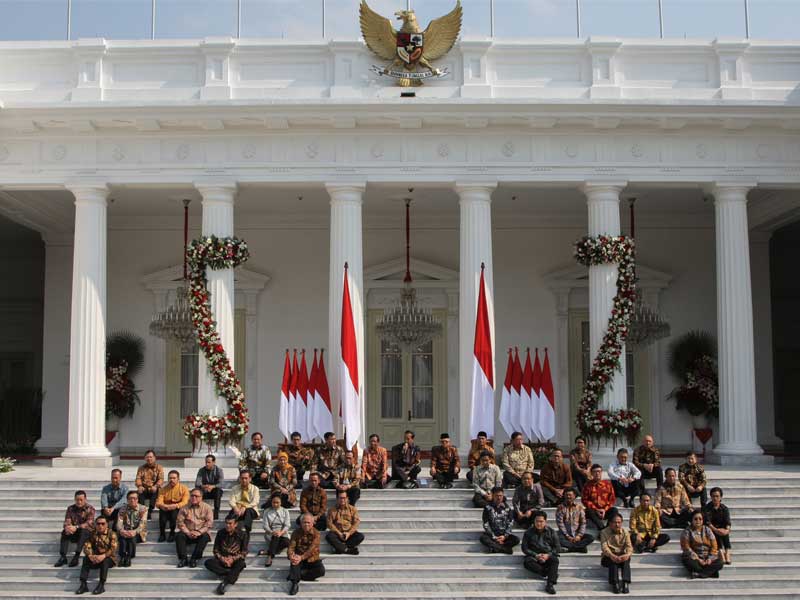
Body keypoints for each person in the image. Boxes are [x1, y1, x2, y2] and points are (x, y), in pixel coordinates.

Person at [205, 515, 249, 596]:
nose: (227, 525)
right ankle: (230, 573)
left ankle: (224, 583)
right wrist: (222, 559)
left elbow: (244, 552)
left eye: (230, 523)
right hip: (222, 560)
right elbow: (215, 550)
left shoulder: (243, 534)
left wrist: (232, 559)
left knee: (241, 564)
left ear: (235, 524)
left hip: (235, 560)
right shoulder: (220, 533)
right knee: (208, 562)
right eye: (226, 523)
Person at [75, 516, 117, 596]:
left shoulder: (112, 534)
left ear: (107, 524)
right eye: (98, 524)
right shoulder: (92, 533)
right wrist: (90, 555)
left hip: (109, 558)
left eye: (103, 524)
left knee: (105, 561)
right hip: (95, 558)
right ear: (95, 524)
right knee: (86, 559)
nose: (100, 526)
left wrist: (103, 556)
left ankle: (101, 584)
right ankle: (83, 584)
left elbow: (113, 549)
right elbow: (87, 545)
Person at [521, 510, 559, 595]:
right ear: (534, 521)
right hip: (534, 556)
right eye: (537, 521)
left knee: (555, 560)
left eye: (541, 521)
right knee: (527, 562)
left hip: (547, 556)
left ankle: (550, 584)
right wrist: (536, 555)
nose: (539, 524)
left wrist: (548, 555)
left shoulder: (551, 532)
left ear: (545, 521)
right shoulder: (528, 532)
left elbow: (557, 547)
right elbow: (524, 548)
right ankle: (550, 573)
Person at [287, 513, 326, 596]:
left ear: (312, 523)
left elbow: (312, 549)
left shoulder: (316, 533)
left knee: (321, 571)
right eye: (304, 522)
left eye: (308, 522)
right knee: (294, 562)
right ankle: (294, 584)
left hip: (311, 558)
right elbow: (291, 546)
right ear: (301, 523)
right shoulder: (296, 532)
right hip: (298, 557)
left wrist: (301, 557)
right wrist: (291, 556)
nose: (306, 524)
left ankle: (298, 574)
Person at [55, 490, 96, 568]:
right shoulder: (70, 508)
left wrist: (76, 527)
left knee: (84, 531)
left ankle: (76, 556)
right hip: (75, 533)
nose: (79, 502)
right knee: (65, 531)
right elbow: (67, 521)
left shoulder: (90, 509)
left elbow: (89, 523)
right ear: (75, 499)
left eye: (81, 500)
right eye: (77, 500)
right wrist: (68, 527)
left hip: (86, 535)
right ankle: (63, 557)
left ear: (85, 499)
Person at [175, 487, 214, 568]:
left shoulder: (207, 508)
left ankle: (194, 559)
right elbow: (180, 523)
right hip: (188, 532)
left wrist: (199, 532)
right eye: (192, 495)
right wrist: (188, 532)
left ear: (201, 497)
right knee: (179, 535)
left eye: (196, 496)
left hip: (201, 533)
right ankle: (183, 559)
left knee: (205, 536)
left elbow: (209, 523)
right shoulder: (184, 508)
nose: (194, 498)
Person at [680, 509, 724, 579]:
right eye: (695, 519)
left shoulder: (707, 530)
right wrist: (698, 559)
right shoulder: (687, 531)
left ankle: (699, 574)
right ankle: (710, 573)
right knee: (687, 559)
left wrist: (709, 558)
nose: (698, 521)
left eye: (700, 519)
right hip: (695, 557)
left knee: (720, 562)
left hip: (707, 557)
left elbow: (714, 546)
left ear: (703, 520)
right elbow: (686, 547)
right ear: (692, 520)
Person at [600, 512, 633, 595]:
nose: (617, 525)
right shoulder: (604, 532)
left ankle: (625, 583)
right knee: (613, 561)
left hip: (621, 555)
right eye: (615, 522)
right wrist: (612, 555)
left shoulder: (625, 532)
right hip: (608, 556)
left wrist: (627, 555)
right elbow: (604, 547)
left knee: (626, 560)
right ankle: (615, 583)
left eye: (619, 522)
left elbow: (629, 546)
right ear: (610, 523)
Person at [480, 487, 519, 554]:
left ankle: (496, 548)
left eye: (500, 495)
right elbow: (486, 524)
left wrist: (505, 536)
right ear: (493, 496)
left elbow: (510, 523)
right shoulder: (487, 508)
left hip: (504, 535)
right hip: (492, 535)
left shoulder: (508, 508)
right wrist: (494, 537)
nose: (499, 498)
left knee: (516, 539)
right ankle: (505, 549)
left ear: (503, 495)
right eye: (496, 496)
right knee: (483, 538)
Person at [326, 489, 365, 555]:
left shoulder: (352, 509)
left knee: (360, 536)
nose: (342, 500)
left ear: (347, 499)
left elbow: (356, 522)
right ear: (337, 499)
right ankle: (348, 550)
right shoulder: (332, 510)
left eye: (344, 498)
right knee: (329, 536)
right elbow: (329, 523)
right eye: (340, 498)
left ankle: (340, 549)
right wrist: (339, 533)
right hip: (337, 533)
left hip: (349, 533)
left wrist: (349, 533)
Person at [155, 470, 189, 543]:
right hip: (166, 507)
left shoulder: (184, 488)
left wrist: (176, 505)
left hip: (177, 507)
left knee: (174, 514)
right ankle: (162, 534)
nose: (171, 480)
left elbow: (185, 502)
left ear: (178, 479)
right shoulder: (163, 489)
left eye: (174, 478)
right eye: (170, 478)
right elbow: (159, 501)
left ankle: (172, 533)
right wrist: (163, 506)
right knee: (162, 514)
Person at [116, 491, 147, 567]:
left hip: (138, 533)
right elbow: (119, 522)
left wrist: (135, 532)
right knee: (122, 538)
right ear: (127, 500)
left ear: (137, 499)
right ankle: (123, 556)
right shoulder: (123, 509)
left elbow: (142, 524)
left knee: (132, 538)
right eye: (130, 498)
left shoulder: (143, 509)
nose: (132, 500)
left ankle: (129, 557)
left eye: (134, 498)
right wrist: (121, 530)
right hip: (125, 531)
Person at [582, 464, 617, 531]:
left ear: (601, 472)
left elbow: (612, 499)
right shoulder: (587, 485)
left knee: (614, 510)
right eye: (595, 472)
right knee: (588, 511)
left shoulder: (607, 484)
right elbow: (584, 500)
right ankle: (603, 529)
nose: (597, 473)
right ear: (591, 473)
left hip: (605, 511)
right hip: (594, 511)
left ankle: (607, 528)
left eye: (599, 471)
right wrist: (596, 509)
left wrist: (604, 510)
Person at [703, 487, 732, 565]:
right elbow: (707, 522)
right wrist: (716, 530)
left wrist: (727, 530)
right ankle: (721, 552)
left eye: (717, 496)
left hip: (721, 528)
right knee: (717, 533)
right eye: (713, 496)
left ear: (720, 497)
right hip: (711, 528)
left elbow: (728, 522)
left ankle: (727, 552)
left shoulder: (724, 508)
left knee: (724, 532)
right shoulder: (707, 508)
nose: (715, 498)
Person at [261, 492, 291, 567]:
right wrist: (272, 532)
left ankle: (269, 551)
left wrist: (281, 532)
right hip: (270, 533)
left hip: (283, 533)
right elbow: (265, 526)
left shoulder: (285, 511)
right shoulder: (267, 511)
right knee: (275, 536)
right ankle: (270, 557)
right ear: (271, 502)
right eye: (274, 502)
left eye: (277, 502)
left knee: (287, 542)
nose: (275, 504)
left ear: (281, 502)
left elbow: (287, 525)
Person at [134, 450, 164, 519]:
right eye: (147, 457)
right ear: (145, 458)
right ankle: (142, 510)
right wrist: (139, 486)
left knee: (156, 492)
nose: (149, 459)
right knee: (139, 492)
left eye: (151, 457)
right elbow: (138, 478)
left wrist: (156, 486)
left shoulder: (159, 467)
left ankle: (149, 511)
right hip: (144, 488)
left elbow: (161, 479)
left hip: (154, 488)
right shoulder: (141, 468)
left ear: (154, 458)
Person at [195, 454, 224, 520]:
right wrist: (205, 486)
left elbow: (221, 483)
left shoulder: (219, 470)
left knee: (218, 491)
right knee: (196, 492)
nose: (207, 464)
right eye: (206, 462)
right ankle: (198, 513)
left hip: (215, 491)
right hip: (204, 490)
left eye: (209, 462)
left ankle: (216, 513)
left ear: (214, 462)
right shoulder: (201, 470)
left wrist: (212, 486)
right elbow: (197, 483)